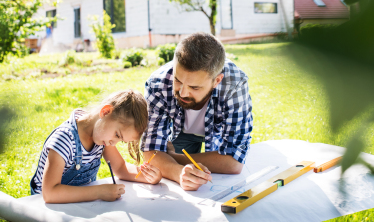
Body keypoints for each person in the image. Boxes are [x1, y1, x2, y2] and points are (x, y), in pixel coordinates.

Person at [141, 32, 253, 191]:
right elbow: (151, 154)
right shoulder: (158, 83)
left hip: (216, 135)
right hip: (179, 132)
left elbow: (233, 162)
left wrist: (171, 158)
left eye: (194, 87)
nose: (183, 93)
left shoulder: (234, 84)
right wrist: (178, 172)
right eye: (178, 80)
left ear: (217, 81)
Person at [30, 90, 162, 203]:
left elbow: (121, 168)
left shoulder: (101, 137)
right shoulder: (64, 139)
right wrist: (99, 192)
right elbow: (49, 193)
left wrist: (147, 176)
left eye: (120, 140)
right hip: (44, 209)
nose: (113, 143)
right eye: (117, 134)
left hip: (77, 206)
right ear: (105, 112)